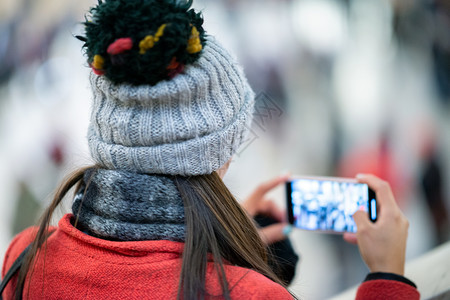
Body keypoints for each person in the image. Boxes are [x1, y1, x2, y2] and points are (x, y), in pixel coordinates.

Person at [1, 0, 419, 299]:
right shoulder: (249, 294)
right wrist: (387, 277)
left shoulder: (25, 257)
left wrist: (235, 247)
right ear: (219, 152)